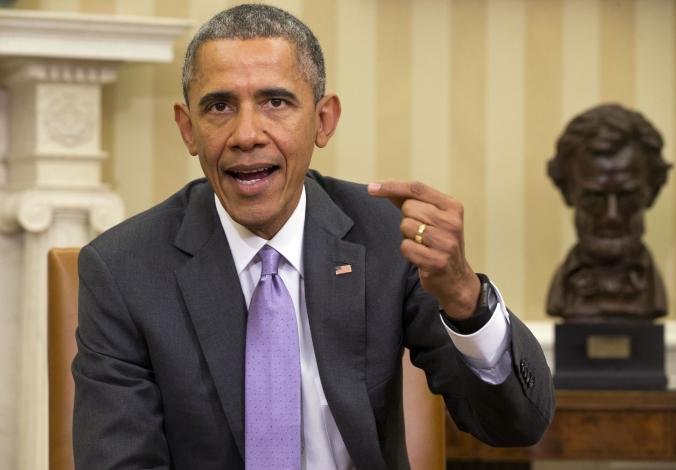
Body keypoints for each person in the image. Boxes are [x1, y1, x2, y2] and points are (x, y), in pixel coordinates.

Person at [72, 4, 554, 469]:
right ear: (188, 128)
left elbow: (516, 425)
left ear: (323, 121)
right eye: (219, 106)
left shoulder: (386, 237)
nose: (246, 134)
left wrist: (465, 297)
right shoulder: (123, 271)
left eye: (275, 102)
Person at [546, 103, 672, 322]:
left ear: (652, 192)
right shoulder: (563, 291)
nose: (611, 216)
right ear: (567, 191)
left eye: (627, 197)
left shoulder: (651, 288)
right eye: (593, 198)